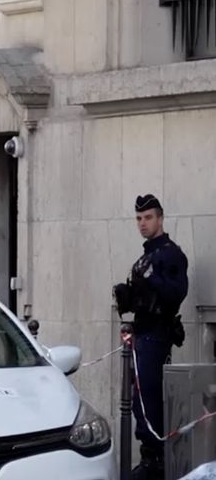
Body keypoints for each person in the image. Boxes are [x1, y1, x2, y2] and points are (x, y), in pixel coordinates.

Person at [113, 194, 188, 480]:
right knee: (139, 399)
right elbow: (142, 298)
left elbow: (176, 293)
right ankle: (149, 458)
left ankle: (155, 462)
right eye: (138, 219)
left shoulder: (170, 254)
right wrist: (127, 295)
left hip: (157, 334)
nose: (142, 223)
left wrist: (151, 279)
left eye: (148, 218)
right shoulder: (145, 257)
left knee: (149, 399)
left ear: (160, 218)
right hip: (142, 333)